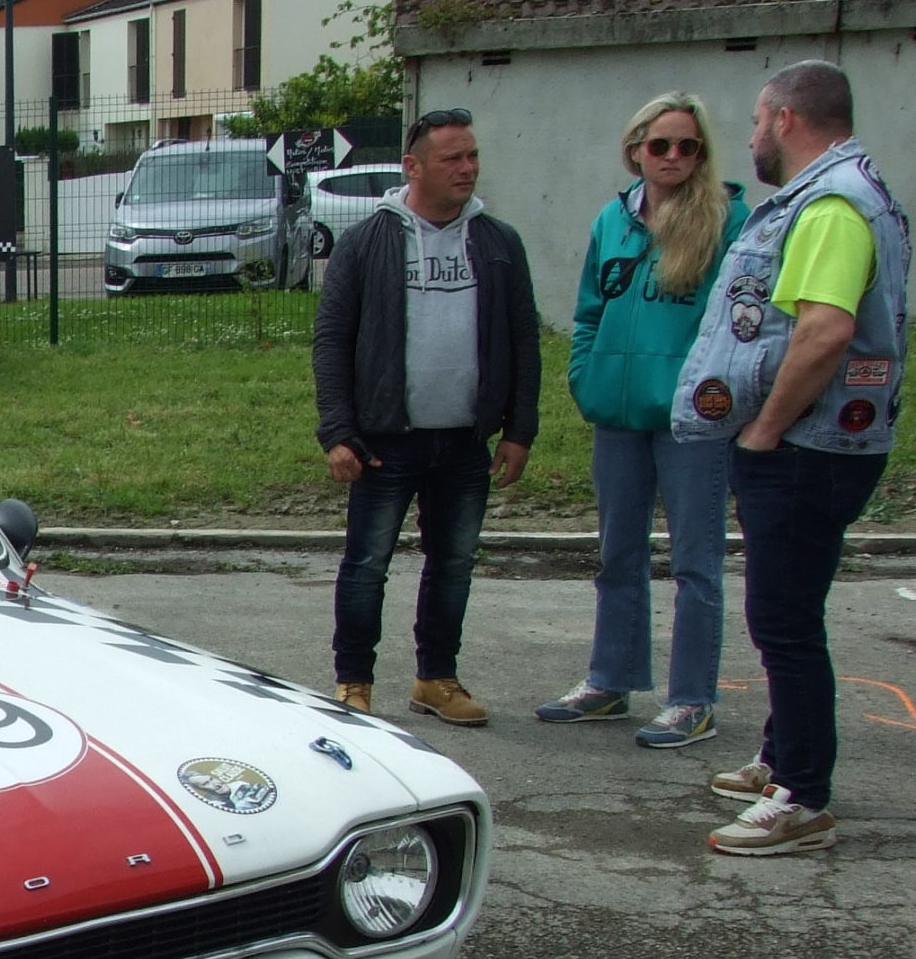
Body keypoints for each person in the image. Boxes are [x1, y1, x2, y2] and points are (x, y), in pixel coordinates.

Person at [673, 60, 908, 856]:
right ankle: (781, 757)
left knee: (784, 620)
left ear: (785, 119)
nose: (750, 138)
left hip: (809, 446)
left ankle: (801, 797)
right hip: (823, 442)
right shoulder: (845, 193)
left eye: (755, 121)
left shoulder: (832, 207)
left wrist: (765, 429)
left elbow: (825, 329)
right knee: (788, 610)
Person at [312, 107, 541, 724]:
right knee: (367, 565)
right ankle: (353, 683)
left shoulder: (498, 244)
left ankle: (436, 679)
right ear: (413, 167)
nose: (467, 168)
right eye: (452, 158)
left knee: (454, 564)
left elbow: (523, 340)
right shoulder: (367, 242)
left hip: (464, 441)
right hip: (384, 442)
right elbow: (332, 341)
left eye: (472, 156)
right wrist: (338, 431)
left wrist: (519, 428)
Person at [536, 95, 748, 746]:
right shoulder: (614, 219)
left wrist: (711, 393)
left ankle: (691, 700)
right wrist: (586, 374)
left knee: (695, 564)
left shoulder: (727, 220)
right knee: (618, 554)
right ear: (636, 151)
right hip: (620, 412)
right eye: (660, 145)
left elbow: (740, 319)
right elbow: (590, 308)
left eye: (688, 146)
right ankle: (611, 680)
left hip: (691, 420)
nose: (673, 157)